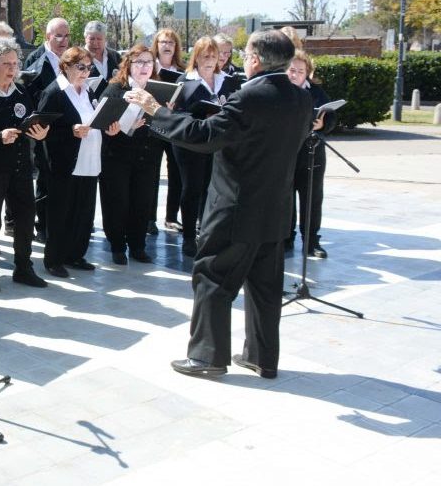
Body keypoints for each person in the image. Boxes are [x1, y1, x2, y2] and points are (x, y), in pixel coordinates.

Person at [125, 30, 312, 379]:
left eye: (245, 52)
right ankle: (262, 357)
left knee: (212, 277)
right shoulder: (301, 98)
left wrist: (154, 110)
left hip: (236, 208)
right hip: (275, 209)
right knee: (265, 287)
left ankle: (207, 357)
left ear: (255, 58)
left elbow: (203, 136)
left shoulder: (250, 96)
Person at [0, 38, 50, 292]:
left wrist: (38, 133)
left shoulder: (20, 91)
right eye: (6, 63)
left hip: (20, 166)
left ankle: (24, 268)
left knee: (26, 216)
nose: (12, 68)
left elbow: (28, 120)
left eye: (15, 63)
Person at [38, 46, 112, 277]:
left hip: (89, 160)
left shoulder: (88, 91)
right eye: (80, 67)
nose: (85, 72)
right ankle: (54, 259)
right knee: (62, 212)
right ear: (65, 67)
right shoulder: (54, 92)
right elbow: (43, 128)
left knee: (83, 211)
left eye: (89, 67)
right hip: (65, 162)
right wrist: (71, 130)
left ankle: (76, 255)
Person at [98, 44, 164, 265]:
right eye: (139, 62)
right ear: (129, 65)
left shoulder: (157, 90)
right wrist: (115, 129)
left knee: (142, 201)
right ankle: (117, 246)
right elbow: (103, 123)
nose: (145, 67)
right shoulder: (116, 89)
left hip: (147, 156)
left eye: (149, 62)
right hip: (117, 155)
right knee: (117, 201)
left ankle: (138, 246)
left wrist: (166, 111)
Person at [172, 37, 230, 257]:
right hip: (190, 144)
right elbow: (176, 114)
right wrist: (201, 114)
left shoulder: (226, 80)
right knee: (192, 188)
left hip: (216, 142)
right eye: (206, 56)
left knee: (212, 188)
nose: (210, 60)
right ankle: (188, 237)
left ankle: (205, 231)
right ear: (196, 57)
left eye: (214, 56)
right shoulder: (184, 81)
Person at [24, 17, 72, 243]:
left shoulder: (71, 58)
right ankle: (42, 225)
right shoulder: (36, 59)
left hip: (65, 128)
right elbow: (30, 92)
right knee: (44, 177)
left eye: (67, 35)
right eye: (58, 36)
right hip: (43, 128)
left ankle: (61, 222)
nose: (63, 40)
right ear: (47, 36)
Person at [287, 50, 336, 259]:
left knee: (312, 198)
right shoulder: (279, 91)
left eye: (300, 70)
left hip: (312, 153)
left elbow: (331, 116)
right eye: (291, 70)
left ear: (307, 72)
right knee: (285, 198)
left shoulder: (315, 92)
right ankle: (285, 237)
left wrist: (323, 124)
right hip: (286, 154)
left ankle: (311, 241)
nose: (295, 74)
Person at [150, 28, 185, 234]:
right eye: (163, 42)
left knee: (176, 172)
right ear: (157, 44)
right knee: (152, 173)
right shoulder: (149, 66)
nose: (167, 45)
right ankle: (149, 218)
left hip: (173, 124)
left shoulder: (182, 69)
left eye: (171, 43)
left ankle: (171, 217)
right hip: (154, 124)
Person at [83, 20, 121, 97]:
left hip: (113, 104)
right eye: (92, 39)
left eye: (99, 39)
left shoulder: (115, 56)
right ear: (85, 38)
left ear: (105, 39)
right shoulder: (77, 58)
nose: (95, 43)